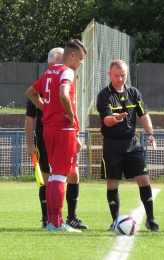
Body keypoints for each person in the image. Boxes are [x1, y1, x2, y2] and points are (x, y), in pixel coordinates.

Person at [26, 39, 87, 232]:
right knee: (60, 176)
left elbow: (30, 92)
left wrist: (48, 108)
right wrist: (70, 115)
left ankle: (52, 221)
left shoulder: (49, 72)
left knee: (53, 176)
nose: (81, 63)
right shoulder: (66, 72)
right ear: (72, 55)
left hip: (49, 130)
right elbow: (63, 94)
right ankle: (58, 222)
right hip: (64, 129)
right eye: (81, 58)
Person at [96, 59, 160, 232]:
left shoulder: (134, 93)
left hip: (132, 143)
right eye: (116, 75)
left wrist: (150, 134)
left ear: (127, 74)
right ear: (109, 74)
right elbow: (107, 121)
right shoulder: (104, 95)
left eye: (123, 75)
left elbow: (143, 114)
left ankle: (151, 220)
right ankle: (115, 221)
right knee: (112, 183)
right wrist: (117, 117)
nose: (120, 79)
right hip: (112, 144)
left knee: (143, 179)